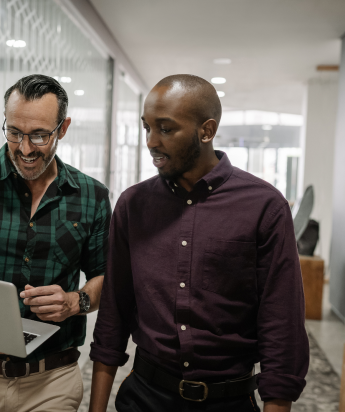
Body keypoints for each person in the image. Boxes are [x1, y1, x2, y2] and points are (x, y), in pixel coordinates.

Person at [88, 74, 309, 412]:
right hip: (144, 398)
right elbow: (113, 314)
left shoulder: (265, 207)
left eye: (165, 128)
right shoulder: (133, 205)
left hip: (228, 401)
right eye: (146, 127)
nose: (151, 141)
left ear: (206, 131)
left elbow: (282, 325)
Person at [0, 74, 111, 412]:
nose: (25, 148)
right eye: (14, 132)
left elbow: (106, 277)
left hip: (52, 379)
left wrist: (74, 302)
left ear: (63, 128)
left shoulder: (92, 196)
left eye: (40, 135)